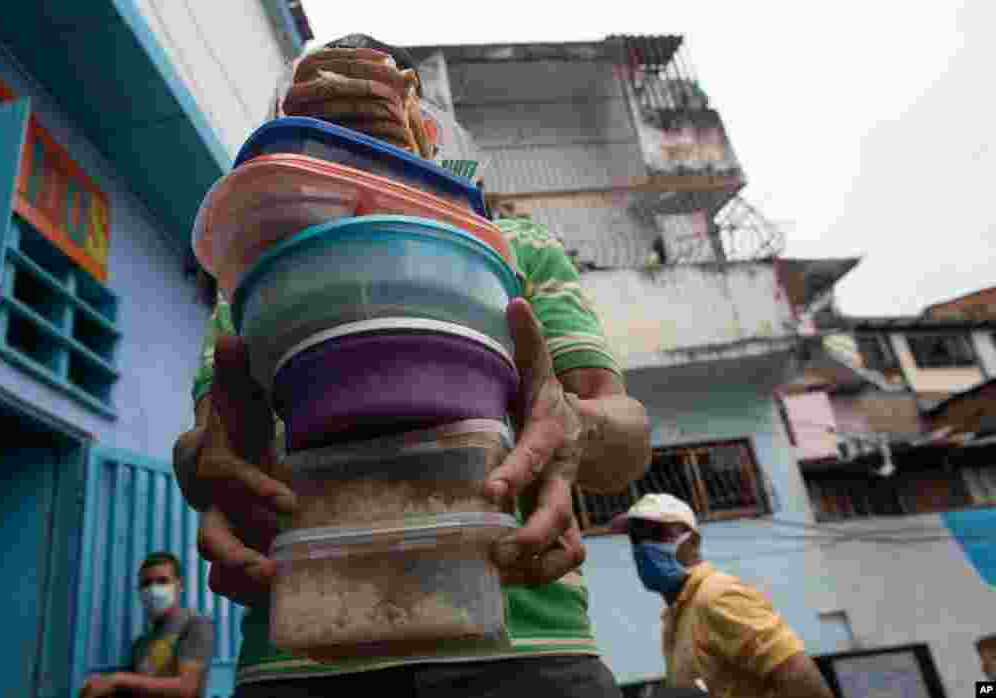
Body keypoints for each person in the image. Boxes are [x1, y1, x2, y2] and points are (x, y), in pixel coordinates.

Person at [172, 33, 654, 698]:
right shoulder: (251, 269)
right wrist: (203, 465)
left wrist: (573, 422)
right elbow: (211, 445)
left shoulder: (515, 247)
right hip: (304, 653)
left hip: (526, 647)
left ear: (427, 135)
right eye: (319, 132)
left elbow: (626, 437)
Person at [613, 494, 835, 698]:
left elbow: (804, 683)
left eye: (657, 534)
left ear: (693, 543)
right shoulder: (677, 616)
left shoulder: (717, 596)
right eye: (636, 539)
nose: (643, 547)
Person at [79, 552, 215, 698]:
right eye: (146, 583)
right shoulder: (140, 644)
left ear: (179, 586)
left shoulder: (195, 624)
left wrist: (118, 680)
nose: (154, 589)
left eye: (163, 581)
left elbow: (187, 689)